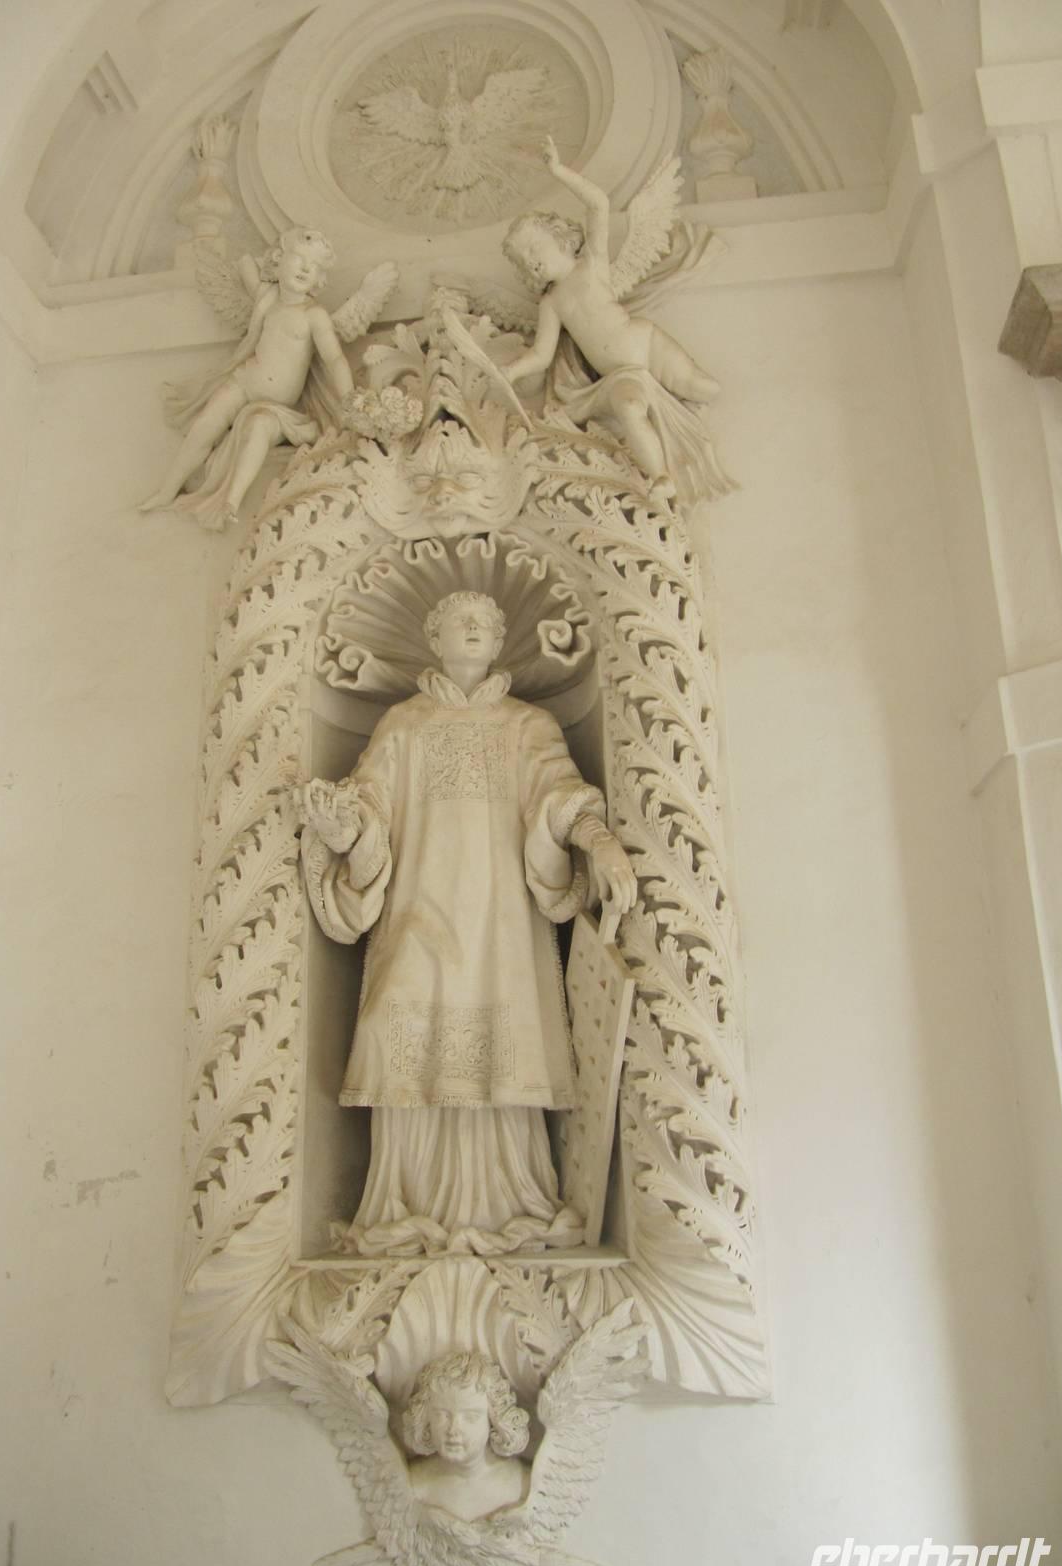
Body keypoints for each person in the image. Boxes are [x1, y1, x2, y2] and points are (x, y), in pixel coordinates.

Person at [299, 590, 636, 1255]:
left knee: (501, 1048)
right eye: (461, 620)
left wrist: (598, 841)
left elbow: (561, 797)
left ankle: (510, 1200)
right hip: (419, 913)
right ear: (435, 635)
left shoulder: (528, 725)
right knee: (407, 1035)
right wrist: (344, 827)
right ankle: (402, 1204)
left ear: (501, 639)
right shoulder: (403, 725)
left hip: (501, 925)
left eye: (487, 621)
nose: (476, 628)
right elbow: (369, 806)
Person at [500, 136, 731, 508]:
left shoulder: (591, 264)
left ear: (558, 238)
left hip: (645, 342)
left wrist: (559, 171)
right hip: (620, 374)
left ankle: (686, 414)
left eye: (532, 247)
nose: (530, 260)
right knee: (629, 407)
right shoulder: (552, 303)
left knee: (703, 388)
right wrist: (512, 371)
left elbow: (598, 204)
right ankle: (661, 476)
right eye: (521, 260)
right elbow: (541, 355)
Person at [139, 228, 352, 527]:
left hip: (277, 408)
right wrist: (265, 266)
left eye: (314, 265)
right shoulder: (268, 298)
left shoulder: (313, 315)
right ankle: (168, 490)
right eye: (298, 258)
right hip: (243, 382)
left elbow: (334, 359)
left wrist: (350, 400)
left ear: (319, 278)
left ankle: (231, 502)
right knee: (206, 424)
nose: (305, 268)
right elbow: (246, 264)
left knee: (258, 428)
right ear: (278, 260)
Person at [402, 1351, 530, 1522]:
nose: (453, 1429)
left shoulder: (521, 1484)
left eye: (470, 1417)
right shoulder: (412, 1485)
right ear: (425, 1418)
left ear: (493, 1420)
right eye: (442, 1415)